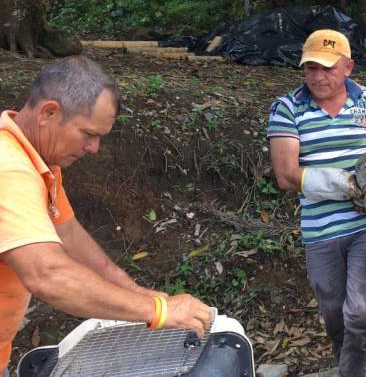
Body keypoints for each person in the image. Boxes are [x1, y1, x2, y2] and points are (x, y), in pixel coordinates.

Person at [0, 56, 212, 377]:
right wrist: (157, 311)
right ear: (49, 112)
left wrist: (138, 294)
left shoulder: (38, 158)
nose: (94, 148)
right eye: (88, 133)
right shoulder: (10, 168)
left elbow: (68, 234)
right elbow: (48, 274)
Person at [268, 29, 366, 376]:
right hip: (321, 231)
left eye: (327, 68)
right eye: (310, 68)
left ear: (348, 67)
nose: (318, 77)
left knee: (363, 311)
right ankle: (349, 365)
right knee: (336, 314)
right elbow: (285, 174)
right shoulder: (288, 108)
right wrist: (347, 185)